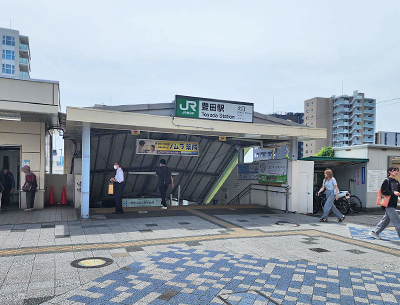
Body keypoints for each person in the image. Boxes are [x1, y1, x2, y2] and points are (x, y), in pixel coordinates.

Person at [369, 166, 400, 240]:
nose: (396, 172)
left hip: (393, 203)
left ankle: (375, 232)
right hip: (388, 204)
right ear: (389, 171)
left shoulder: (396, 182)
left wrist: (396, 193)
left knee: (386, 220)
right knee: (397, 221)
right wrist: (393, 192)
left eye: (397, 171)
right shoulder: (387, 180)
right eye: (394, 170)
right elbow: (384, 191)